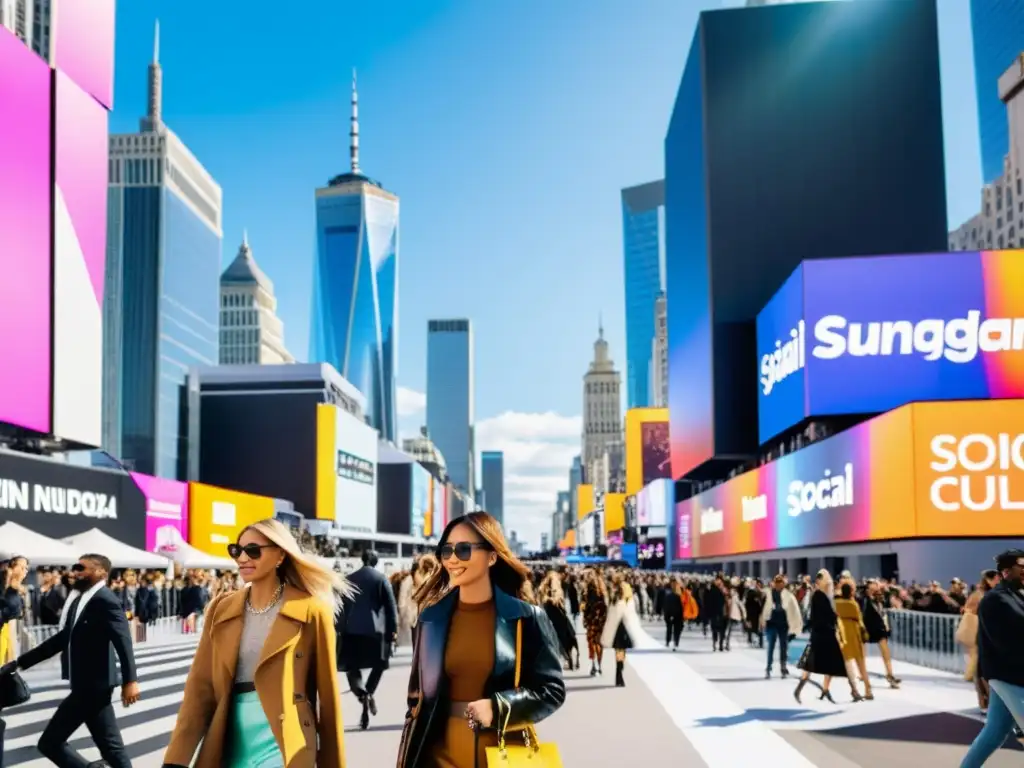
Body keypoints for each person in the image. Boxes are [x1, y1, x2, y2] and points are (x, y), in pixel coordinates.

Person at [161, 519, 350, 768]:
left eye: (253, 550)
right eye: (236, 550)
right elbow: (200, 688)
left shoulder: (311, 610)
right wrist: (176, 760)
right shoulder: (221, 608)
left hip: (284, 739)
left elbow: (328, 698)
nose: (242, 558)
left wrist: (333, 762)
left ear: (280, 555)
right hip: (230, 733)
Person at [397, 512, 565, 768]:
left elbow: (552, 691)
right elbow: (416, 701)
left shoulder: (526, 618)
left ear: (492, 557)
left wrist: (499, 708)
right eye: (446, 550)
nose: (452, 559)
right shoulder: (430, 619)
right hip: (438, 756)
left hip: (501, 754)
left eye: (464, 550)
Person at [2, 554, 139, 768]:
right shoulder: (80, 600)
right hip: (88, 685)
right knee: (111, 747)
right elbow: (61, 640)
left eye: (81, 568)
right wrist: (20, 663)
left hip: (93, 686)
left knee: (50, 742)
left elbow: (123, 641)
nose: (75, 572)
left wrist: (131, 681)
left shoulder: (106, 599)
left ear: (101, 572)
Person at [959, 550, 1024, 768]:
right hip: (1010, 677)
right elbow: (1008, 641)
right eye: (1022, 567)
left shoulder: (1015, 596)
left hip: (1010, 676)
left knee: (994, 733)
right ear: (1006, 572)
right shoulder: (996, 600)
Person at [337, 549, 398, 731]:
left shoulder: (348, 579)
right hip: (376, 631)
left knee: (352, 667)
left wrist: (339, 628)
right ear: (376, 561)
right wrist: (392, 630)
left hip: (351, 630)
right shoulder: (381, 579)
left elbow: (341, 608)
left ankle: (362, 694)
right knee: (379, 664)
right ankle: (369, 691)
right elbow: (390, 607)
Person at [794, 569, 847, 703]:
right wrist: (834, 616)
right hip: (822, 634)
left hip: (823, 633)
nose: (829, 584)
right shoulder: (818, 595)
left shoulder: (821, 595)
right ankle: (805, 689)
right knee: (814, 663)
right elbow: (824, 614)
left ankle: (823, 689)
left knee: (826, 663)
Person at [0, 555, 28, 766]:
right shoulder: (8, 593)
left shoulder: (10, 593)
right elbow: (8, 622)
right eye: (22, 567)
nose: (25, 571)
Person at [601, 570, 643, 687]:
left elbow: (608, 606)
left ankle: (618, 673)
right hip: (624, 624)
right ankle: (620, 671)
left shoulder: (612, 590)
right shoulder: (626, 588)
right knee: (622, 650)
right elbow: (630, 606)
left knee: (618, 649)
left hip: (615, 625)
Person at [759, 574, 802, 679]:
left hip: (783, 624)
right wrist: (762, 620)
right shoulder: (768, 593)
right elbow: (764, 608)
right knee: (771, 647)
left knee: (784, 647)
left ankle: (783, 667)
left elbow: (795, 611)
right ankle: (768, 668)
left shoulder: (789, 595)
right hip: (771, 623)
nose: (778, 584)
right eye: (777, 582)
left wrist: (797, 625)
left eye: (780, 582)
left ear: (784, 583)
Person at [835, 582, 872, 701]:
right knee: (861, 665)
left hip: (843, 633)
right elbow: (860, 620)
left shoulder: (836, 603)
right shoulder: (853, 604)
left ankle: (854, 690)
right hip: (855, 634)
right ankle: (868, 690)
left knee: (848, 665)